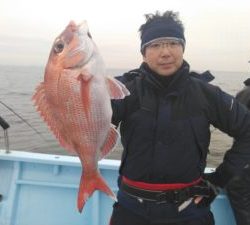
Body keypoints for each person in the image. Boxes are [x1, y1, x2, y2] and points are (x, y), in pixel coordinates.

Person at [109, 10, 250, 225]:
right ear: (143, 52)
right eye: (155, 45)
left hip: (190, 213)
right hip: (130, 211)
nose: (165, 52)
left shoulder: (206, 94)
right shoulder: (122, 90)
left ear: (183, 48)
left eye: (173, 43)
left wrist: (220, 179)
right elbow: (85, 122)